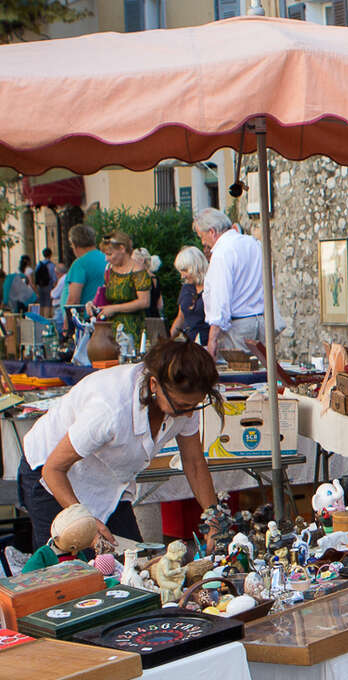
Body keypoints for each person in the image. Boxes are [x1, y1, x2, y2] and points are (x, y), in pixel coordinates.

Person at [18, 338, 221, 551]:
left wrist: (214, 517)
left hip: (108, 483)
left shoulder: (184, 402)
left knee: (131, 562)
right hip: (51, 477)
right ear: (154, 385)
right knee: (66, 570)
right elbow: (54, 469)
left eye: (194, 406)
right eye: (181, 406)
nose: (188, 414)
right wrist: (86, 523)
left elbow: (194, 462)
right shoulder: (110, 409)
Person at [193, 208, 264, 359]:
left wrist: (212, 338)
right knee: (262, 377)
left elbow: (220, 297)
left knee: (238, 378)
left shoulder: (222, 252)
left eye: (202, 236)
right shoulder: (253, 243)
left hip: (238, 327)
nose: (203, 242)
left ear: (212, 232)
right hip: (261, 321)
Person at [88, 230, 150, 348]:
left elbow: (144, 302)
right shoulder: (110, 270)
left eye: (110, 254)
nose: (106, 258)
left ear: (122, 248)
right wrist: (93, 304)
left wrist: (115, 308)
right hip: (110, 330)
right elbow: (105, 296)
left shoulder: (138, 271)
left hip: (133, 329)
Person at [63, 223, 106, 315]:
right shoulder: (106, 258)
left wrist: (67, 327)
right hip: (102, 314)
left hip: (85, 319)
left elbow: (74, 300)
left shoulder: (80, 264)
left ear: (74, 244)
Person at [170, 246, 210, 345]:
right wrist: (169, 339)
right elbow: (180, 317)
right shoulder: (186, 288)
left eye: (185, 270)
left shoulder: (212, 287)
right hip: (188, 342)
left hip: (206, 342)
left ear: (196, 267)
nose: (182, 276)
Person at [133, 247, 164, 317]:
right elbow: (160, 304)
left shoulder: (141, 279)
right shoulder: (155, 278)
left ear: (141, 260)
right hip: (155, 318)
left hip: (143, 318)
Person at [34, 247, 57, 316]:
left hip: (40, 286)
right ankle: (46, 318)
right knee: (47, 303)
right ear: (50, 255)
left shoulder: (39, 264)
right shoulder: (52, 265)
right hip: (48, 286)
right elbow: (54, 278)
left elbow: (36, 276)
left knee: (41, 303)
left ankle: (40, 318)